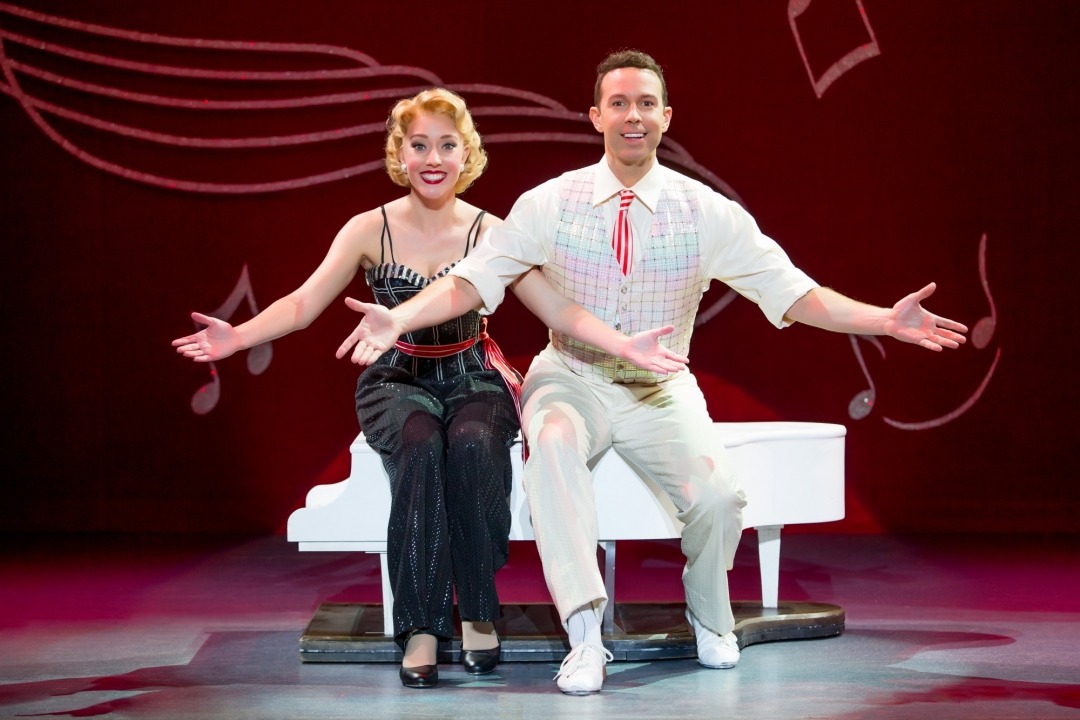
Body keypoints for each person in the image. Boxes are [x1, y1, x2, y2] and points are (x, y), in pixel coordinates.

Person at [334, 52, 969, 695]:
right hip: (570, 377)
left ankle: (710, 616)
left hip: (660, 389)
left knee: (719, 497)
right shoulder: (550, 202)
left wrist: (884, 321)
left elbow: (793, 292)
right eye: (618, 104)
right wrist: (400, 318)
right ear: (596, 116)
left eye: (644, 104)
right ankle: (585, 636)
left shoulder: (705, 212)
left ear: (665, 117)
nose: (631, 116)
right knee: (550, 446)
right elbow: (475, 279)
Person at [172, 87, 686, 690]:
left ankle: (477, 608)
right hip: (397, 380)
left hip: (472, 375)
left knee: (471, 444)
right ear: (400, 153)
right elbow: (304, 302)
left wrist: (623, 345)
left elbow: (554, 305)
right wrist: (237, 338)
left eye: (447, 144)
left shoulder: (494, 232)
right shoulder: (370, 228)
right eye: (419, 145)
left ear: (467, 153)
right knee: (418, 446)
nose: (433, 158)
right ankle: (420, 625)